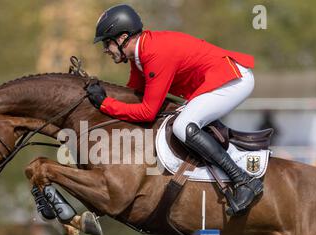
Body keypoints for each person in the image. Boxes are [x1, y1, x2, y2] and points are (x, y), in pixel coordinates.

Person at [87, 4, 263, 215]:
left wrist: (105, 103)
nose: (106, 49)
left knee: (183, 126)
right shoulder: (140, 56)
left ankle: (243, 181)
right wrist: (101, 95)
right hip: (218, 81)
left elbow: (147, 112)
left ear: (123, 37)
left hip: (233, 81)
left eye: (107, 43)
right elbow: (132, 94)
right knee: (181, 121)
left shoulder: (153, 53)